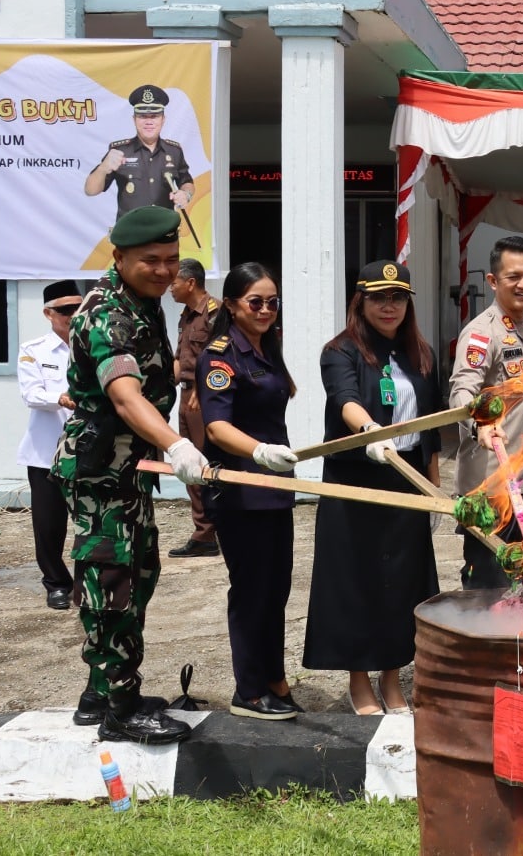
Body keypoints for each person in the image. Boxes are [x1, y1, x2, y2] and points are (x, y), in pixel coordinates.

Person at [50, 205, 209, 745]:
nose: (164, 272)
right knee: (111, 579)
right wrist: (177, 444)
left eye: (171, 260)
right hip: (102, 474)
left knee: (137, 573)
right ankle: (120, 708)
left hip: (125, 467)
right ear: (118, 258)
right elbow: (124, 396)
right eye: (150, 261)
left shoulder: (141, 303)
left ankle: (101, 691)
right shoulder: (108, 314)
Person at [304, 261, 444, 715]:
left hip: (406, 478)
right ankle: (360, 680)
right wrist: (371, 434)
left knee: (403, 584)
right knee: (357, 580)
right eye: (379, 298)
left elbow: (432, 427)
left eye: (398, 297)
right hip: (356, 478)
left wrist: (434, 487)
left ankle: (392, 676)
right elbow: (344, 399)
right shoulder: (340, 351)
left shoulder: (420, 353)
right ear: (360, 302)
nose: (389, 307)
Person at [195, 263, 302, 721]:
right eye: (255, 302)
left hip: (274, 485)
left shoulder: (267, 348)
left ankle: (274, 677)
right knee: (251, 589)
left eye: (272, 302)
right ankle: (249, 688)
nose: (265, 309)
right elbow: (217, 428)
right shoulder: (220, 356)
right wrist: (259, 451)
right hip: (240, 487)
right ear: (232, 305)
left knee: (277, 588)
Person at [447, 236, 523, 588]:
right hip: (491, 486)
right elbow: (461, 390)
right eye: (513, 277)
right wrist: (479, 425)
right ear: (493, 282)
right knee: (489, 581)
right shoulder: (481, 334)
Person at [16, 280, 84, 611]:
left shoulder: (95, 344)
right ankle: (57, 583)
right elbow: (30, 394)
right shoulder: (34, 350)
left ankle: (90, 582)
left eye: (79, 307)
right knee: (49, 525)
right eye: (65, 310)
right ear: (48, 313)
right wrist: (59, 398)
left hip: (90, 450)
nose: (74, 315)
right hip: (47, 452)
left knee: (91, 521)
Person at [167, 258, 219, 558]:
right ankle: (205, 534)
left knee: (208, 464)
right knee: (190, 466)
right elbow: (180, 360)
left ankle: (210, 531)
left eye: (174, 282)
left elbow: (215, 359)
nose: (170, 288)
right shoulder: (185, 316)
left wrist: (200, 391)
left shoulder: (216, 312)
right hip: (187, 398)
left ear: (190, 282)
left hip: (206, 399)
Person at [83, 85, 194, 221]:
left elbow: (187, 182)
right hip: (130, 236)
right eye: (142, 116)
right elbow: (90, 190)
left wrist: (186, 194)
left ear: (163, 120)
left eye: (154, 116)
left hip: (165, 235)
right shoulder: (119, 151)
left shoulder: (174, 151)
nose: (148, 122)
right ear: (134, 120)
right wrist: (103, 168)